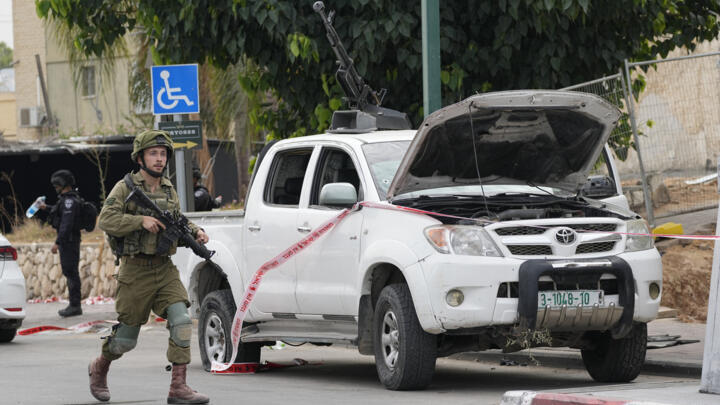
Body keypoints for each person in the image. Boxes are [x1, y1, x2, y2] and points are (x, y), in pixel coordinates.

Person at [88, 130, 210, 404]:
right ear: (140, 157)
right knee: (125, 340)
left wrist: (196, 231)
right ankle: (99, 367)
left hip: (164, 269)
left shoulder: (168, 188)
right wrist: (139, 220)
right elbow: (106, 219)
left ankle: (178, 387)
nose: (159, 159)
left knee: (180, 321)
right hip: (135, 271)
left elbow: (178, 219)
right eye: (153, 153)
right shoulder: (125, 187)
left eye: (163, 154)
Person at [38, 170, 83, 317]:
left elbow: (66, 224)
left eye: (57, 185)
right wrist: (46, 208)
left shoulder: (69, 201)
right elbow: (61, 213)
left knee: (71, 273)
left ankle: (75, 306)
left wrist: (57, 242)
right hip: (68, 241)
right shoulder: (67, 200)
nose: (55, 187)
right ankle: (74, 305)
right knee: (70, 272)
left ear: (62, 184)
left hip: (69, 242)